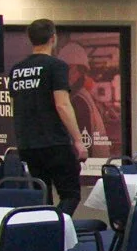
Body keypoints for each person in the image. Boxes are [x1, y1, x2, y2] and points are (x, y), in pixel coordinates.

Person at [7, 19, 88, 212]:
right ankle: (57, 230)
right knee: (70, 194)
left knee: (41, 198)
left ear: (30, 40)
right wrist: (78, 140)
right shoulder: (56, 66)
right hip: (55, 143)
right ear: (53, 38)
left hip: (27, 145)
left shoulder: (16, 70)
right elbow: (62, 104)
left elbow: (15, 106)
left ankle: (44, 233)